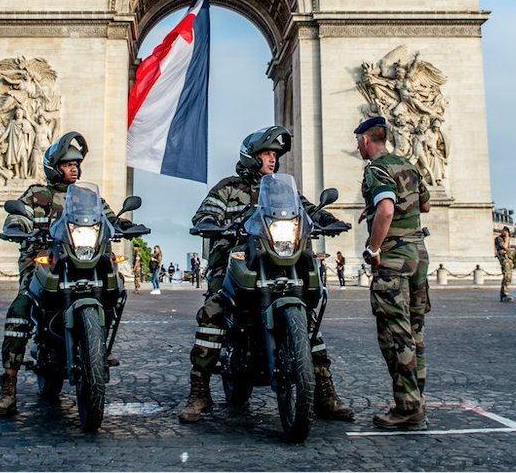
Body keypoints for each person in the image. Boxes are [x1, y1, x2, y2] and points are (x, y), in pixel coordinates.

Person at [179, 125, 354, 423]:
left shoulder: (283, 190)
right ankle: (200, 391)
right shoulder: (228, 188)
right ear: (251, 157)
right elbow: (204, 213)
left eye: (275, 155)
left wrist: (327, 219)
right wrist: (211, 221)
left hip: (280, 260)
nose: (272, 160)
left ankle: (325, 391)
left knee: (310, 319)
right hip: (238, 260)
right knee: (215, 310)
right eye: (266, 154)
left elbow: (307, 209)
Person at [0, 132, 122, 417]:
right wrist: (17, 224)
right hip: (44, 261)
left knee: (116, 289)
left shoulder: (88, 196)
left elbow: (109, 218)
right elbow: (20, 213)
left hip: (84, 261)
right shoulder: (37, 195)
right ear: (54, 167)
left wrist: (123, 224)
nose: (74, 168)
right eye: (67, 164)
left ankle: (98, 343)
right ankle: (8, 387)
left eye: (76, 164)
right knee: (20, 309)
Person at [356, 115, 432, 431]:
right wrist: (373, 209)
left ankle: (408, 408)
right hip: (418, 256)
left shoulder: (376, 169)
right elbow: (424, 205)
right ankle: (415, 399)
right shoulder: (408, 165)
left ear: (365, 140)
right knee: (415, 331)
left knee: (394, 334)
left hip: (394, 261)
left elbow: (387, 208)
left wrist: (374, 248)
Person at [494, 226, 514, 302]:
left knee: (508, 277)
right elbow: (505, 247)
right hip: (503, 260)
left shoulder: (506, 240)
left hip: (508, 260)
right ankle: (504, 294)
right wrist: (507, 238)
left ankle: (505, 293)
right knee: (506, 276)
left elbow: (510, 252)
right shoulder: (499, 239)